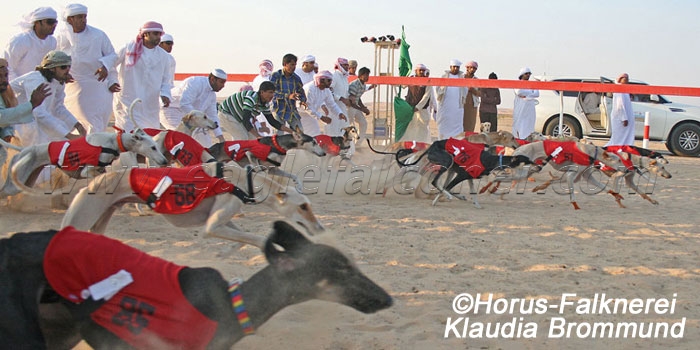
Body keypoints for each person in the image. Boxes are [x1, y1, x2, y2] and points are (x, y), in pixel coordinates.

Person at [55, 4, 119, 134]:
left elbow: (112, 55)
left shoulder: (98, 35)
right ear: (69, 20)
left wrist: (106, 68)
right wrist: (62, 74)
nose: (83, 20)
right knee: (75, 122)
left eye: (84, 16)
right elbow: (53, 60)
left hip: (98, 85)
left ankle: (93, 150)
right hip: (73, 86)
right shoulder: (60, 38)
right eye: (79, 17)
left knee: (96, 122)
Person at [10, 50, 86, 146]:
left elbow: (58, 108)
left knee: (61, 128)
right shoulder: (36, 80)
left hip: (30, 119)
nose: (67, 70)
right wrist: (69, 135)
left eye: (69, 66)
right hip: (14, 120)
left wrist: (77, 125)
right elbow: (38, 112)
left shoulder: (57, 82)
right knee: (39, 135)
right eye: (63, 67)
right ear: (51, 69)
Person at [112, 21, 172, 132]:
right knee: (127, 135)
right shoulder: (129, 48)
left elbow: (166, 79)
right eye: (155, 34)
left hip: (150, 104)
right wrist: (112, 81)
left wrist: (165, 94)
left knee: (150, 136)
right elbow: (111, 62)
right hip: (128, 100)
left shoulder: (164, 56)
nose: (158, 37)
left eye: (160, 34)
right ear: (145, 34)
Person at [218, 81, 294, 140]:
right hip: (226, 114)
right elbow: (246, 120)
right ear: (262, 92)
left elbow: (272, 122)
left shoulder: (265, 104)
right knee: (242, 138)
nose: (272, 95)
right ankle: (234, 158)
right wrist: (258, 136)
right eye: (270, 92)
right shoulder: (251, 98)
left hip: (238, 118)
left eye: (273, 93)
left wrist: (292, 132)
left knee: (253, 140)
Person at [171, 69, 227, 145]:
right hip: (172, 109)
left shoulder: (212, 96)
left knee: (206, 143)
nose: (223, 86)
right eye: (221, 82)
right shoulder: (195, 83)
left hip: (193, 117)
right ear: (213, 79)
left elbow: (212, 115)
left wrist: (220, 137)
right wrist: (199, 120)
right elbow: (184, 104)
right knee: (182, 138)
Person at [0, 58, 51, 141]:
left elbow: (5, 124)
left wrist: (6, 134)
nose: (4, 80)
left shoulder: (4, 94)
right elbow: (2, 117)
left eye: (5, 75)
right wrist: (31, 104)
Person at [2, 7, 58, 81]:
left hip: (40, 88)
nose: (54, 25)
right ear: (37, 23)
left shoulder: (52, 42)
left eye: (55, 22)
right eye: (50, 22)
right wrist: (20, 87)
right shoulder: (21, 41)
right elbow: (7, 67)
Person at [302, 70, 345, 137]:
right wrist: (321, 117)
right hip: (299, 115)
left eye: (331, 80)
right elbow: (307, 107)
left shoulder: (326, 90)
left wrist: (339, 113)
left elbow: (331, 104)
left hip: (311, 115)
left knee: (315, 135)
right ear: (321, 80)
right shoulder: (309, 88)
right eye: (328, 80)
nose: (330, 82)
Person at [269, 53, 306, 132]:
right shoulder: (276, 76)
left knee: (300, 133)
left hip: (291, 110)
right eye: (292, 65)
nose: (294, 67)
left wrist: (303, 100)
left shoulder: (296, 78)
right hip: (278, 109)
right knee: (278, 136)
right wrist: (288, 96)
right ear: (285, 64)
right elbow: (272, 93)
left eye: (295, 65)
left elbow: (301, 91)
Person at [400, 63, 433, 143]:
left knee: (422, 129)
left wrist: (418, 107)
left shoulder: (427, 81)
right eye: (420, 70)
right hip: (410, 109)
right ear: (416, 71)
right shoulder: (411, 79)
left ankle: (421, 146)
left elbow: (426, 96)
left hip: (422, 110)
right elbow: (402, 85)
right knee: (410, 128)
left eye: (423, 70)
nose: (421, 72)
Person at [435, 59, 466, 139]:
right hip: (445, 105)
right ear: (450, 67)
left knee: (457, 123)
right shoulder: (444, 77)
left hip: (457, 106)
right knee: (444, 123)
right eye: (454, 67)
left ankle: (456, 141)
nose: (455, 69)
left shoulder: (462, 78)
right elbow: (438, 89)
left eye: (457, 67)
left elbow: (465, 90)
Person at [605, 73, 635, 146]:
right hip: (620, 118)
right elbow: (620, 105)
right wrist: (624, 118)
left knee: (624, 137)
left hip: (624, 117)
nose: (627, 81)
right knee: (618, 139)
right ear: (620, 79)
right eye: (625, 79)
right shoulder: (619, 89)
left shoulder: (624, 89)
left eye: (628, 79)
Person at [157, 33, 178, 130]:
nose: (170, 46)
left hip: (167, 95)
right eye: (168, 43)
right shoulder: (156, 57)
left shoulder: (171, 59)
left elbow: (168, 80)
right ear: (160, 44)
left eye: (171, 44)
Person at [512, 67, 539, 139]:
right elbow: (519, 92)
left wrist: (527, 94)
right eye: (526, 74)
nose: (528, 75)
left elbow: (537, 94)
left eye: (529, 74)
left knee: (529, 126)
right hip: (520, 109)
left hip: (530, 109)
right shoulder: (517, 83)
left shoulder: (532, 84)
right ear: (522, 75)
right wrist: (531, 93)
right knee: (520, 126)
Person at [347, 67, 371, 145]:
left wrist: (363, 107)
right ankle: (348, 144)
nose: (367, 77)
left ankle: (357, 144)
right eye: (366, 75)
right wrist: (363, 109)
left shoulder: (363, 85)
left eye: (368, 75)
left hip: (355, 107)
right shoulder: (354, 85)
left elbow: (358, 97)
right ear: (360, 75)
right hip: (349, 107)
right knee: (349, 126)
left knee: (363, 123)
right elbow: (351, 102)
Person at [328, 57, 351, 136]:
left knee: (345, 128)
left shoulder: (345, 77)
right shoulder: (334, 76)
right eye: (344, 65)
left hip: (342, 107)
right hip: (333, 107)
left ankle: (345, 148)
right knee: (334, 130)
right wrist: (340, 98)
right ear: (338, 65)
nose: (347, 67)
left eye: (347, 65)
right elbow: (328, 92)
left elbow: (345, 92)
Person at [463, 60, 480, 133]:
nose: (472, 69)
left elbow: (481, 93)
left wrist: (473, 91)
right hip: (461, 104)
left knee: (470, 124)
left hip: (472, 106)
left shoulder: (477, 80)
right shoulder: (461, 78)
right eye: (471, 67)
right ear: (467, 68)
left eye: (474, 68)